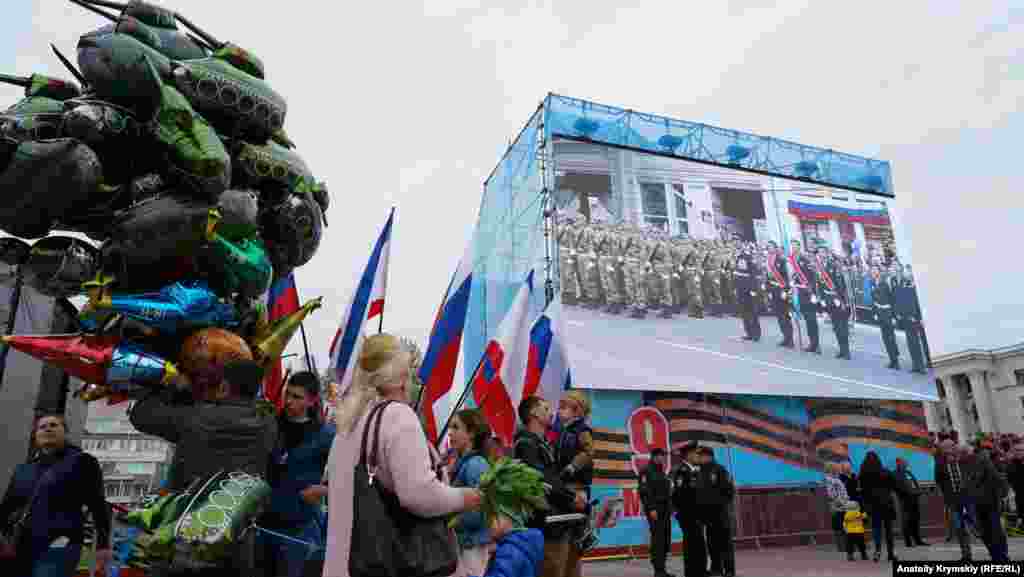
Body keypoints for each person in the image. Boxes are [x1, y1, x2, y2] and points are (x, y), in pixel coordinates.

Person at [322, 333, 482, 577]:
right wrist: (465, 497)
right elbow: (418, 495)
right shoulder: (398, 416)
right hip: (387, 564)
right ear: (398, 380)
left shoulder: (347, 425)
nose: (412, 381)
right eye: (409, 372)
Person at [129, 358, 278, 576]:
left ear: (225, 386)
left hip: (185, 541)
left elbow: (141, 414)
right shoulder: (268, 425)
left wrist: (171, 385)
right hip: (237, 543)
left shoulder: (196, 417)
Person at [0, 413, 112, 577]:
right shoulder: (24, 469)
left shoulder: (83, 461)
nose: (47, 429)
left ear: (65, 432)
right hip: (20, 544)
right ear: (36, 435)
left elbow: (98, 504)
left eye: (53, 425)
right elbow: (8, 505)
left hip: (59, 544)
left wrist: (103, 545)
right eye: (42, 427)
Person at [259, 371, 335, 577]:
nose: (289, 401)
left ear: (312, 401)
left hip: (297, 526)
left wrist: (324, 489)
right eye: (288, 394)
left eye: (297, 397)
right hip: (261, 520)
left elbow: (349, 475)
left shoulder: (326, 435)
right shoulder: (269, 425)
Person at [514, 397, 583, 577]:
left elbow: (552, 479)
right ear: (534, 414)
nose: (551, 412)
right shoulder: (526, 444)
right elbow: (541, 480)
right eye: (545, 408)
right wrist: (571, 497)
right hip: (546, 527)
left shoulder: (540, 443)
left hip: (557, 523)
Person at [466, 459, 546, 577]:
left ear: (510, 514)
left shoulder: (509, 552)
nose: (487, 523)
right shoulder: (526, 542)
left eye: (492, 515)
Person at [449, 409, 494, 577]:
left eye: (456, 427)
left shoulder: (476, 464)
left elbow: (480, 510)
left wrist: (448, 522)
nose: (450, 433)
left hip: (470, 547)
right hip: (465, 544)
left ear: (472, 433)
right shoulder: (466, 462)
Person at [556, 391, 595, 577]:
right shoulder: (563, 431)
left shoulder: (582, 430)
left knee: (575, 539)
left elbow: (589, 452)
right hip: (565, 486)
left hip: (577, 486)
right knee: (566, 537)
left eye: (564, 407)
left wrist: (573, 466)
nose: (559, 411)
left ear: (578, 410)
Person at [696, 447, 734, 577]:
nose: (699, 458)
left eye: (701, 456)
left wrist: (719, 505)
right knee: (712, 544)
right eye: (699, 456)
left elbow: (729, 491)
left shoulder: (720, 470)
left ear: (709, 456)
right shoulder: (700, 472)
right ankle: (716, 569)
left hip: (720, 514)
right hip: (707, 516)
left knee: (725, 543)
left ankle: (729, 571)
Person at [637, 448, 674, 577]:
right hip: (655, 510)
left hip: (665, 510)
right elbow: (644, 491)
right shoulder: (646, 471)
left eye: (663, 456)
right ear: (653, 457)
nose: (662, 458)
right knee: (658, 539)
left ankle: (662, 569)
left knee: (665, 538)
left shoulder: (661, 472)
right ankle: (658, 570)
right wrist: (651, 508)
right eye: (659, 456)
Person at [672, 441, 706, 577]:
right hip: (688, 515)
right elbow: (679, 495)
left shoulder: (694, 470)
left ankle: (700, 570)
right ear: (688, 455)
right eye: (695, 453)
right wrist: (682, 513)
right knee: (692, 544)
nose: (698, 456)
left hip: (696, 514)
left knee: (698, 544)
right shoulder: (682, 471)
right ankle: (692, 572)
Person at [857, 451, 898, 563]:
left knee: (876, 528)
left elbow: (862, 492)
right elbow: (893, 485)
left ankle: (877, 551)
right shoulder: (885, 472)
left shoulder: (863, 474)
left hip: (873, 504)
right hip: (887, 503)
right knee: (888, 529)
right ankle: (891, 553)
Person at [789, 239, 821, 353]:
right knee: (807, 319)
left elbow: (813, 277)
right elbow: (795, 275)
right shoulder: (793, 260)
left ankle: (816, 344)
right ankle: (812, 343)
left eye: (795, 245)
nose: (793, 247)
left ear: (799, 247)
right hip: (801, 292)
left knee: (812, 319)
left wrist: (813, 293)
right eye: (791, 245)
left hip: (808, 292)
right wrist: (792, 281)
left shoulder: (805, 259)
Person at [894, 268, 927, 374]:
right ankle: (915, 365)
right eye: (905, 275)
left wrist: (919, 318)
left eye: (908, 274)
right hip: (906, 319)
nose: (906, 276)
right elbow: (899, 302)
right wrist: (899, 314)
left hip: (914, 319)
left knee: (916, 343)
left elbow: (918, 305)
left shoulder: (915, 288)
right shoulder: (902, 287)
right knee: (910, 343)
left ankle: (921, 366)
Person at [764, 241, 794, 348]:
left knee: (785, 315)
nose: (769, 249)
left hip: (781, 289)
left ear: (776, 248)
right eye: (768, 247)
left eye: (771, 247)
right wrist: (767, 289)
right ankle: (785, 337)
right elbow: (767, 277)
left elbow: (787, 277)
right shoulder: (768, 260)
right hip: (773, 289)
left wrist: (786, 291)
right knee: (779, 316)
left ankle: (790, 339)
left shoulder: (781, 260)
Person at [871, 266, 901, 369]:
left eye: (875, 270)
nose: (873, 272)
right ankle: (892, 359)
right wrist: (874, 312)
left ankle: (896, 360)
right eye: (872, 271)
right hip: (880, 314)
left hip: (887, 313)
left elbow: (892, 300)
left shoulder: (884, 283)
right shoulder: (873, 283)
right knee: (885, 339)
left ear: (879, 272)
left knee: (891, 338)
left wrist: (893, 316)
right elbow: (874, 300)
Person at [894, 458, 928, 548]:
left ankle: (918, 540)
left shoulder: (907, 472)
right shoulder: (896, 474)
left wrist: (919, 491)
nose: (906, 464)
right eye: (904, 463)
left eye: (906, 463)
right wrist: (915, 492)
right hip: (905, 500)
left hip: (914, 499)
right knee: (907, 521)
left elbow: (914, 483)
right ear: (898, 463)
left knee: (915, 520)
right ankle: (908, 542)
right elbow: (902, 488)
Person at [733, 240, 761, 343]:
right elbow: (736, 273)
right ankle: (749, 332)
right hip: (740, 287)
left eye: (739, 246)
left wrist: (754, 289)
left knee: (752, 311)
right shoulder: (737, 257)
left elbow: (754, 274)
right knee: (744, 312)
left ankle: (756, 334)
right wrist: (735, 287)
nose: (738, 248)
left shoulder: (749, 257)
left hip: (748, 288)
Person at [823, 463, 851, 553]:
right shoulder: (832, 480)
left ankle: (842, 546)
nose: (838, 470)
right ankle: (844, 546)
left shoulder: (831, 479)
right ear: (832, 469)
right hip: (839, 505)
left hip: (837, 505)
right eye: (836, 468)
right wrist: (841, 500)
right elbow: (832, 494)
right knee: (841, 526)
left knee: (838, 526)